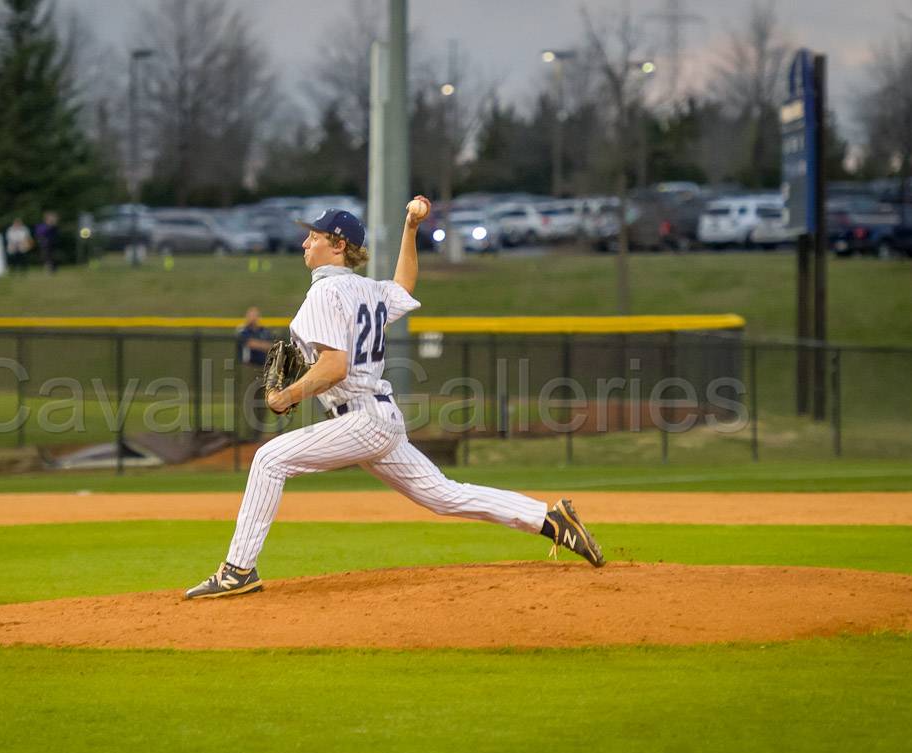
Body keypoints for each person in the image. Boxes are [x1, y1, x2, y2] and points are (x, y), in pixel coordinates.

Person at [185, 198, 605, 599]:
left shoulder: (324, 294)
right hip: (379, 419)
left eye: (314, 236)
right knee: (445, 495)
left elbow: (335, 367)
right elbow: (404, 283)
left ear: (338, 245)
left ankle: (237, 570)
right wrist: (411, 229)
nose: (304, 243)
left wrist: (288, 396)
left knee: (268, 460)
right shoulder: (368, 290)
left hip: (362, 420)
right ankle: (549, 520)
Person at [236, 306, 275, 441]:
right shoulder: (243, 330)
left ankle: (258, 434)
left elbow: (271, 346)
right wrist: (263, 345)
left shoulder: (264, 331)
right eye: (251, 314)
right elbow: (250, 343)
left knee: (262, 400)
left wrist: (262, 345)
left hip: (264, 368)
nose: (253, 317)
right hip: (248, 368)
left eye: (255, 315)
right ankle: (245, 435)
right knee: (248, 399)